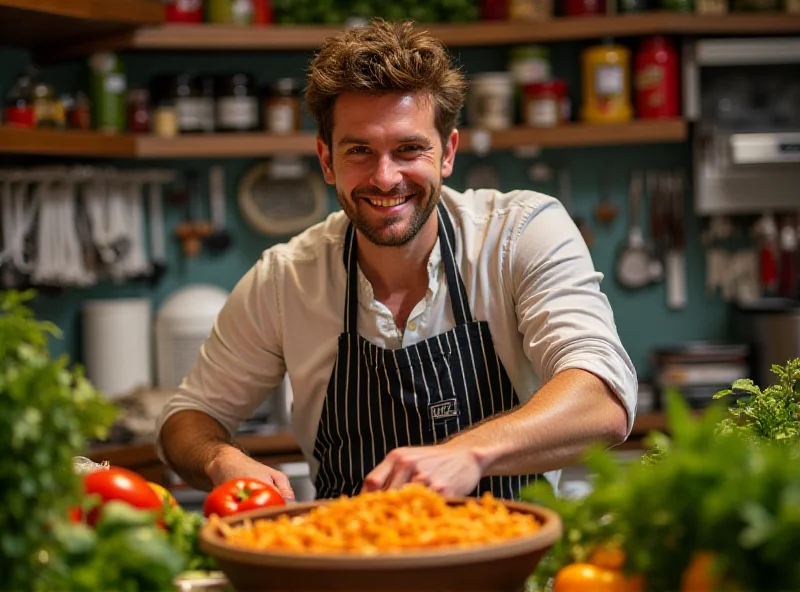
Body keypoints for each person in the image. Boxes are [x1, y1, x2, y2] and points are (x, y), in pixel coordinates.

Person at [156, 19, 637, 503]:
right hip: (348, 566)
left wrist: (471, 453)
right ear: (326, 161)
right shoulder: (285, 279)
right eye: (360, 151)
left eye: (409, 149)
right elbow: (187, 418)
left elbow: (603, 398)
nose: (385, 179)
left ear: (447, 153)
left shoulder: (520, 235)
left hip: (510, 564)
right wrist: (222, 459)